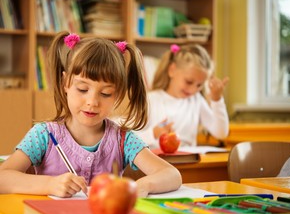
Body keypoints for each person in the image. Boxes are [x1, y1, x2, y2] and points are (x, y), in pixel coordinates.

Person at [0, 31, 182, 198]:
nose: (92, 102)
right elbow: (2, 178)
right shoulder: (42, 136)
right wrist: (50, 184)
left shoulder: (123, 140)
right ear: (65, 83)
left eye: (105, 94)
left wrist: (142, 186)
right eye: (82, 89)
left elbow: (172, 175)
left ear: (118, 94)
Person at [135, 44, 229, 149]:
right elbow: (129, 140)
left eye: (199, 85)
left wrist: (217, 100)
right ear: (172, 70)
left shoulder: (196, 100)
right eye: (189, 82)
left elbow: (221, 133)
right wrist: (153, 133)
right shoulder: (150, 100)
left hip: (188, 162)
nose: (193, 89)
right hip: (157, 163)